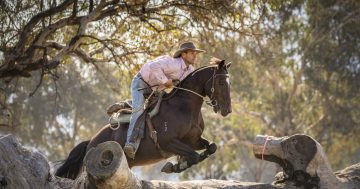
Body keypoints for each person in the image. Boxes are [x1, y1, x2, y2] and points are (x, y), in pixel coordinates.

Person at [124, 42, 205, 158]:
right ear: (183, 55)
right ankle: (130, 144)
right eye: (192, 53)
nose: (195, 56)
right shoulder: (173, 63)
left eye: (195, 53)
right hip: (141, 84)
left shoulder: (190, 70)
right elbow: (153, 66)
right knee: (139, 110)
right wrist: (165, 81)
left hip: (156, 90)